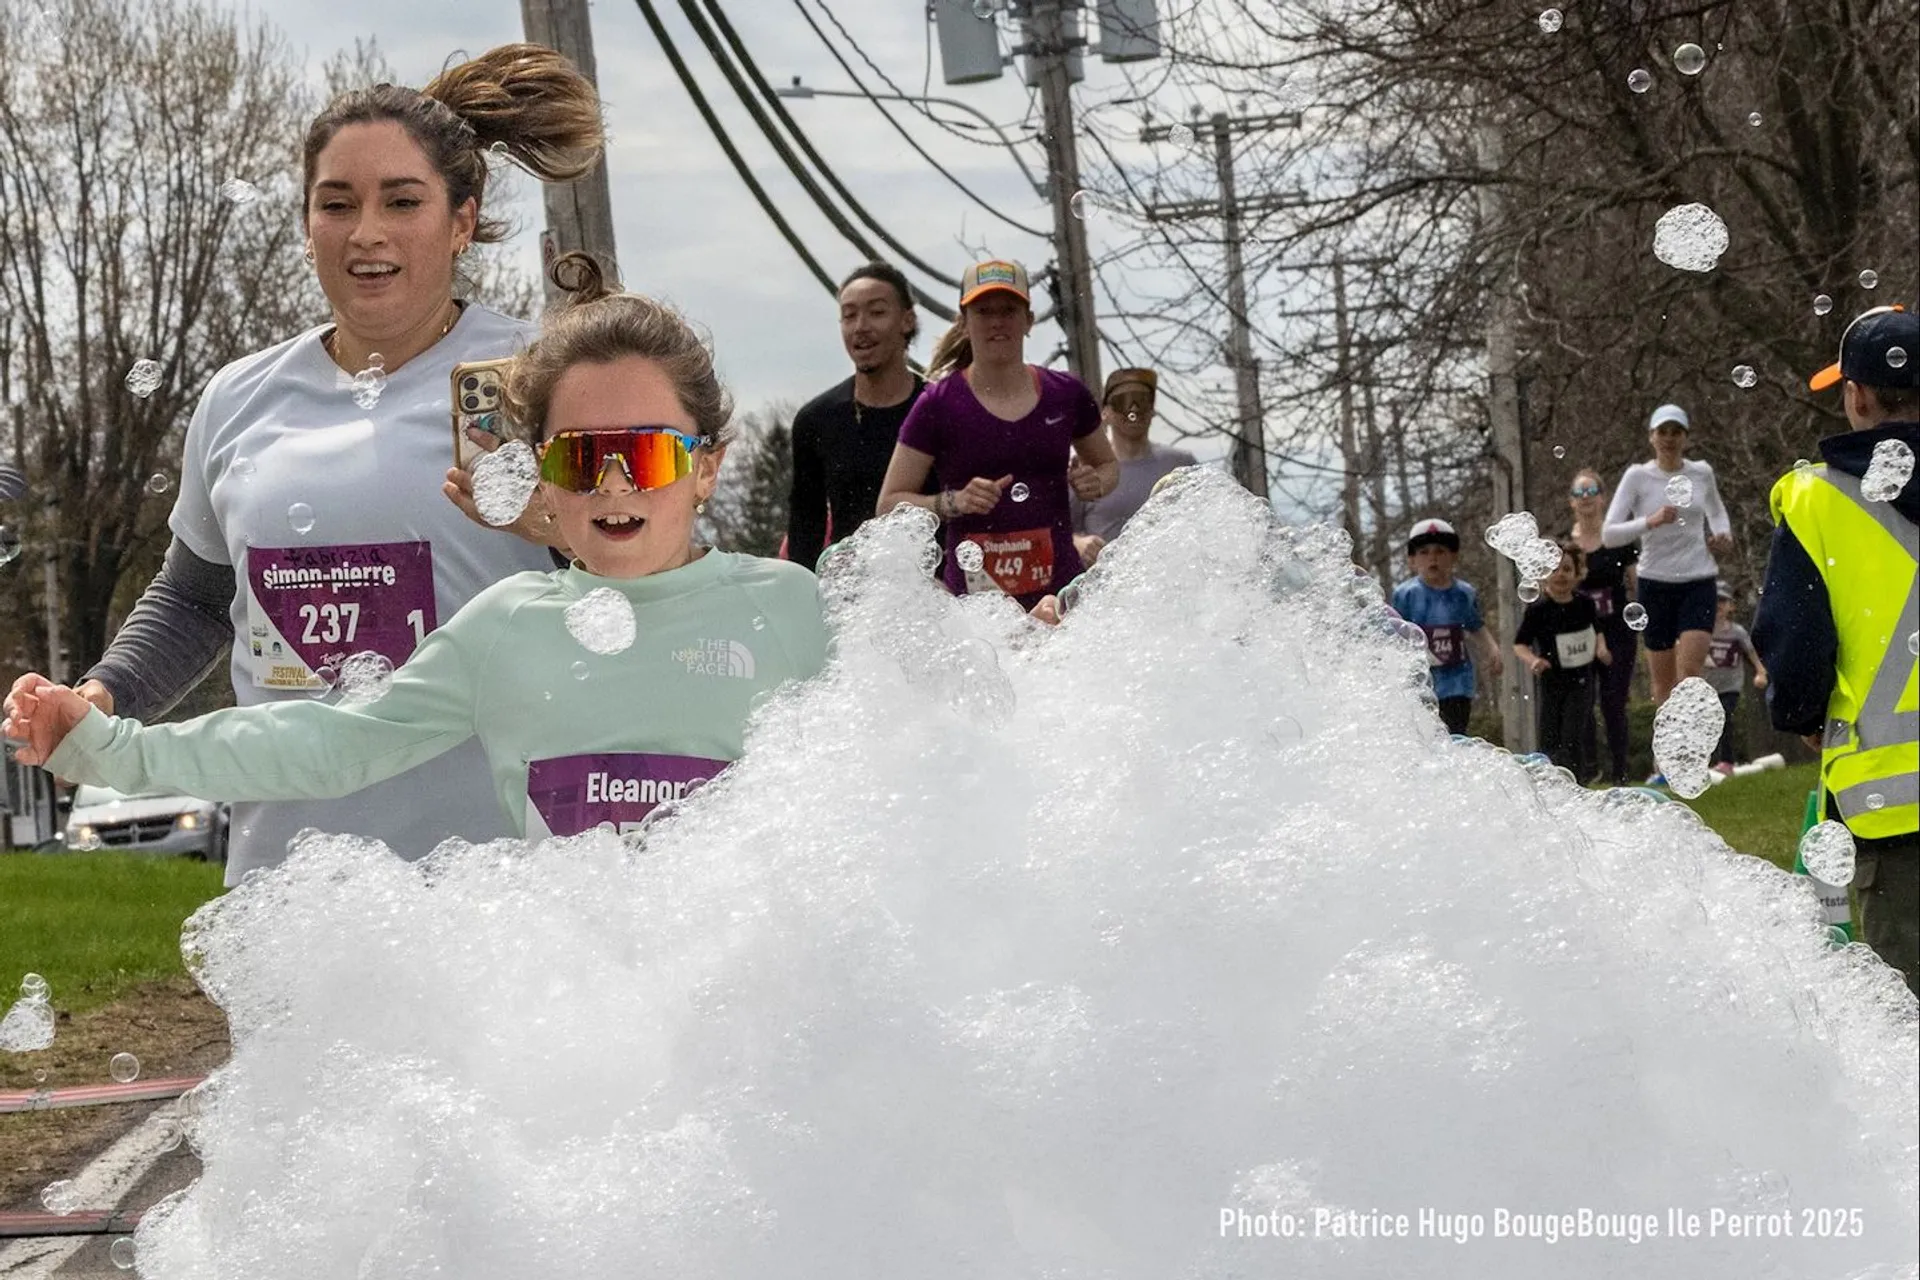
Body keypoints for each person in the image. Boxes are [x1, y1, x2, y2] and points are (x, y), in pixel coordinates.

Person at [4, 46, 605, 884]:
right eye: (337, 203)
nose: (368, 233)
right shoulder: (237, 397)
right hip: (292, 890)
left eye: (404, 201)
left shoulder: (544, 379)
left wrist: (568, 539)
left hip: (497, 883)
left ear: (461, 221)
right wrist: (100, 702)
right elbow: (194, 599)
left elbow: (642, 589)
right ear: (307, 221)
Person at [5, 257, 828, 842]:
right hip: (585, 1023)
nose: (613, 485)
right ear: (539, 475)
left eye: (645, 453)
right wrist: (108, 746)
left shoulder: (787, 609)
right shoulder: (504, 628)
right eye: (580, 457)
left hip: (752, 1018)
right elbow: (325, 745)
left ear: (707, 467)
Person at [1753, 303, 1919, 994]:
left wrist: (1798, 712)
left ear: (1854, 396)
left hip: (1894, 802)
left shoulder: (1818, 503)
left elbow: (1796, 641)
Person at [875, 259, 1119, 611]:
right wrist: (953, 502)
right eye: (984, 311)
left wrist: (1096, 482)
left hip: (1060, 595)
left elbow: (1108, 465)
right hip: (977, 605)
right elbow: (888, 504)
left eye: (1009, 310)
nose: (997, 321)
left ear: (1029, 321)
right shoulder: (938, 404)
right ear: (963, 324)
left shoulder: (1066, 394)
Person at [785, 262, 929, 571]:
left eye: (876, 312)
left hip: (932, 588)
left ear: (907, 320)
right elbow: (804, 528)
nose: (861, 327)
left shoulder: (937, 408)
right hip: (850, 593)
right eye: (849, 315)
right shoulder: (816, 420)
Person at [1603, 404, 1734, 706]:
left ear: (1686, 437)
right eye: (1662, 431)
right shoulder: (1637, 477)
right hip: (1655, 582)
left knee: (1690, 673)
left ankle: (1696, 749)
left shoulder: (1701, 472)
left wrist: (1722, 537)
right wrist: (1650, 521)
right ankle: (1666, 752)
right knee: (1663, 683)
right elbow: (1609, 535)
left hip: (1698, 578)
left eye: (1676, 432)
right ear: (1651, 437)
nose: (1669, 439)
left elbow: (1717, 514)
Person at [1069, 367, 1196, 566]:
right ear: (1105, 413)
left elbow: (1201, 523)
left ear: (1153, 410)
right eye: (1123, 401)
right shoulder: (1084, 470)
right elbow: (1058, 532)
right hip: (1105, 589)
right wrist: (1078, 543)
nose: (1133, 410)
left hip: (1170, 584)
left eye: (1142, 401)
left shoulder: (1180, 465)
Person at [1392, 518, 1503, 736]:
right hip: (1421, 681)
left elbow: (1475, 625)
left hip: (1457, 681)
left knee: (1455, 732)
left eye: (1440, 551)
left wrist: (1492, 649)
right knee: (1425, 733)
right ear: (1412, 560)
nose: (1432, 558)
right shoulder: (1406, 594)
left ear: (1453, 557)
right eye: (1424, 552)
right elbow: (1395, 632)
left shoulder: (1464, 593)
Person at [1512, 541, 1612, 782]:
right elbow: (1519, 644)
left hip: (1581, 678)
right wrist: (1534, 661)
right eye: (1554, 569)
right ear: (1543, 574)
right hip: (1551, 679)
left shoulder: (1585, 604)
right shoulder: (1538, 610)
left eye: (1567, 569)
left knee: (1573, 731)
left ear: (1578, 574)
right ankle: (1552, 780)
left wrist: (1602, 649)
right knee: (1549, 733)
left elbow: (1597, 631)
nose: (1560, 575)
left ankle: (1577, 781)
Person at [1568, 468, 1638, 784]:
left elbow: (1637, 583)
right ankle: (1587, 769)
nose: (1586, 499)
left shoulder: (1620, 539)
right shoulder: (1565, 545)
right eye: (1579, 493)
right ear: (1571, 502)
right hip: (1579, 631)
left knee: (1613, 702)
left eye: (1591, 491)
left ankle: (1620, 773)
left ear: (1603, 498)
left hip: (1618, 629)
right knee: (1581, 703)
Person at [1703, 582, 1768, 773]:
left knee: (1724, 718)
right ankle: (1705, 763)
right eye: (1715, 601)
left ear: (1731, 606)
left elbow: (1751, 653)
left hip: (1731, 685)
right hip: (1708, 685)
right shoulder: (1703, 632)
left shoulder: (1737, 632)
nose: (1719, 606)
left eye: (1723, 601)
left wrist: (1760, 671)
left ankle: (1727, 762)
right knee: (1708, 723)